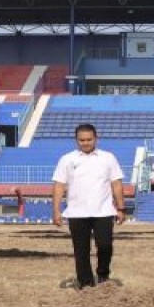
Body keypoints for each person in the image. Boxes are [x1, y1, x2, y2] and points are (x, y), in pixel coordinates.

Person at [52, 123, 126, 288]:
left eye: (89, 139)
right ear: (76, 140)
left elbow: (116, 183)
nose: (85, 143)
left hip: (104, 211)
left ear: (96, 138)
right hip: (77, 213)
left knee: (105, 245)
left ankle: (103, 275)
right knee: (81, 251)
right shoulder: (67, 159)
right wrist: (56, 210)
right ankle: (86, 284)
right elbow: (59, 185)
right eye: (81, 140)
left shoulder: (108, 158)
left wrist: (120, 208)